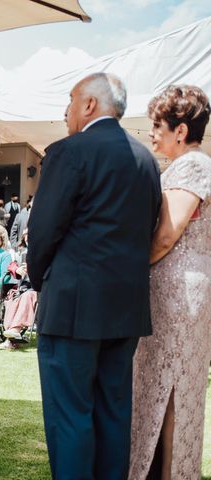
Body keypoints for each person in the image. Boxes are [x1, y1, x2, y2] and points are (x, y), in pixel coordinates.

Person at [27, 73, 161, 479]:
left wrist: (40, 282)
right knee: (113, 415)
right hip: (126, 310)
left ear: (89, 105)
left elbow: (44, 231)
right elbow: (148, 228)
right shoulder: (146, 160)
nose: (65, 110)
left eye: (70, 100)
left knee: (69, 417)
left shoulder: (69, 152)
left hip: (71, 306)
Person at [129, 85, 211, 480]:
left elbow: (167, 235)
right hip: (175, 285)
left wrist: (128, 267)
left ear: (181, 131)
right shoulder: (183, 166)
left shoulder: (193, 165)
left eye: (157, 126)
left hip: (179, 289)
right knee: (161, 384)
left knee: (173, 387)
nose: (151, 133)